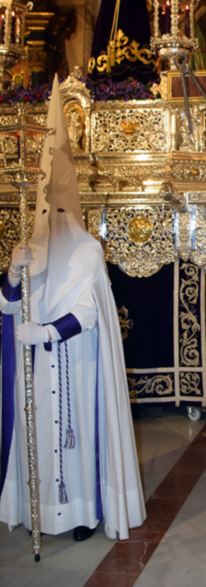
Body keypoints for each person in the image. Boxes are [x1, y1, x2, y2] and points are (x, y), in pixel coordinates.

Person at [0, 75, 146, 540]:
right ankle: (36, 511)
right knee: (39, 438)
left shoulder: (87, 250)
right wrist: (9, 274)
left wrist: (44, 333)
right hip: (36, 371)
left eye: (59, 208)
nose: (52, 217)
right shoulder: (27, 247)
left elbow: (88, 313)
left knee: (77, 437)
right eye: (46, 209)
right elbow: (7, 306)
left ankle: (83, 514)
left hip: (77, 366)